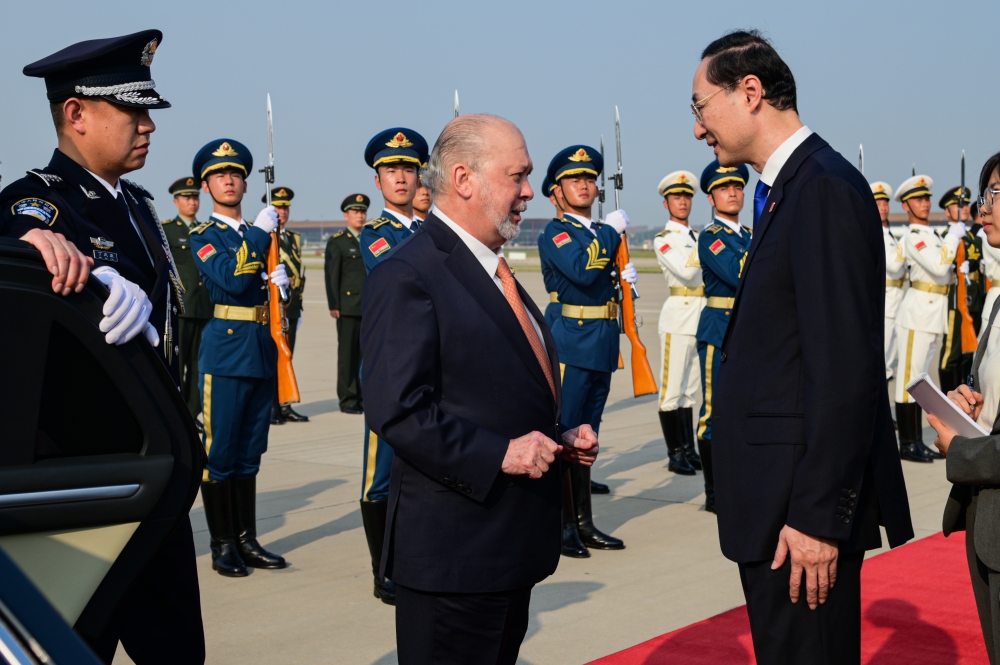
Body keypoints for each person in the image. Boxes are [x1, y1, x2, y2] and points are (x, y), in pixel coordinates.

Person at [691, 30, 913, 663]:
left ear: (750, 92)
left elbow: (844, 370)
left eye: (701, 107)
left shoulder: (819, 189)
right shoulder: (788, 188)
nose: (700, 130)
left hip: (800, 519)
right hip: (777, 506)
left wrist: (819, 517)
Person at [362, 113, 599, 665]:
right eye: (516, 176)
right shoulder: (410, 273)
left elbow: (491, 389)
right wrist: (504, 455)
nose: (528, 192)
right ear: (464, 179)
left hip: (505, 550)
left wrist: (556, 440)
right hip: (456, 557)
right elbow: (398, 412)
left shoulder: (489, 269)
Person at [0, 29, 206, 664]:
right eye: (132, 110)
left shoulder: (140, 208)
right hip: (87, 490)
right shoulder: (40, 198)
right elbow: (16, 226)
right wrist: (35, 244)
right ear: (76, 113)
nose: (147, 126)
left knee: (175, 652)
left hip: (156, 478)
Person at [188, 139, 290, 578]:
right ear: (208, 186)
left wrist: (281, 285)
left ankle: (247, 540)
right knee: (221, 454)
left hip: (261, 349)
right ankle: (222, 543)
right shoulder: (203, 236)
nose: (228, 180)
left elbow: (260, 284)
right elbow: (230, 280)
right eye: (219, 175)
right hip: (226, 352)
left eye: (235, 174)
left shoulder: (261, 233)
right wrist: (259, 233)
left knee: (250, 454)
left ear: (246, 183)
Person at [538, 144, 633, 558]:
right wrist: (612, 233)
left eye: (590, 179)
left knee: (587, 437)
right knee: (564, 435)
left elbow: (601, 279)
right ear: (556, 191)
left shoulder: (598, 234)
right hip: (571, 344)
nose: (585, 184)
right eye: (574, 179)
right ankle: (560, 528)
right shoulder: (555, 232)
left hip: (600, 340)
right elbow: (581, 270)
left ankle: (584, 523)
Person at [932, 151, 1000, 664]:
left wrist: (962, 450)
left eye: (996, 196)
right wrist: (967, 404)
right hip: (987, 523)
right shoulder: (997, 300)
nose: (983, 210)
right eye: (986, 197)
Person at [358, 127, 429, 605]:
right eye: (390, 171)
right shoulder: (376, 234)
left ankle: (413, 560)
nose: (400, 178)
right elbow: (402, 273)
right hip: (390, 366)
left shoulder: (430, 231)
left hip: (429, 363)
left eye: (408, 168)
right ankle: (383, 568)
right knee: (379, 472)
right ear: (378, 181)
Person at [695, 159, 751, 514]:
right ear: (712, 197)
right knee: (714, 412)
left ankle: (739, 481)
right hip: (720, 329)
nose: (732, 193)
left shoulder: (749, 236)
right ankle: (714, 491)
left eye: (737, 187)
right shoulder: (711, 238)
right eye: (724, 188)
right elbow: (738, 273)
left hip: (750, 328)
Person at [894, 174, 962, 462]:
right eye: (919, 199)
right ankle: (907, 443)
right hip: (917, 314)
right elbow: (937, 267)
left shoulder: (932, 235)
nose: (925, 203)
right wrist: (955, 236)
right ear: (907, 206)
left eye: (926, 198)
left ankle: (916, 441)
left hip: (933, 313)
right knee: (908, 380)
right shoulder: (912, 238)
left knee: (921, 381)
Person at [653, 170, 703, 477]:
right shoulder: (665, 239)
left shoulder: (696, 236)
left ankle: (688, 449)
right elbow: (687, 273)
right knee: (671, 391)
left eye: (686, 197)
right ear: (666, 204)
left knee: (689, 391)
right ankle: (674, 454)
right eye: (676, 197)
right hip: (678, 315)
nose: (682, 202)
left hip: (701, 313)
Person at [165, 177, 213, 422]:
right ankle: (178, 413)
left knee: (198, 365)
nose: (192, 202)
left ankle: (193, 413)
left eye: (195, 197)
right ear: (176, 201)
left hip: (205, 307)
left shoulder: (205, 231)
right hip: (180, 307)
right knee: (178, 362)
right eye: (186, 197)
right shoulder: (167, 230)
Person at [263, 186, 308, 424]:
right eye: (278, 206)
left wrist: (298, 308)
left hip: (291, 305)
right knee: (272, 356)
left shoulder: (294, 238)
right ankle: (271, 406)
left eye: (285, 207)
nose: (282, 211)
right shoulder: (263, 235)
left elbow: (298, 273)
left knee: (288, 356)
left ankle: (284, 403)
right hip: (272, 306)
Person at [325, 193, 369, 414]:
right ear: (346, 215)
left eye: (362, 212)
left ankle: (363, 396)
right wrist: (334, 304)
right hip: (347, 307)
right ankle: (348, 398)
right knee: (347, 356)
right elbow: (332, 274)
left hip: (369, 307)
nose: (360, 216)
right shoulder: (338, 241)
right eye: (355, 212)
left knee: (365, 355)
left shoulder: (370, 238)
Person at [938, 185, 982, 395]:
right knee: (952, 352)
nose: (964, 208)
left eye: (966, 204)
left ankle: (963, 394)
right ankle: (948, 397)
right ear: (947, 211)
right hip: (957, 298)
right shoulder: (947, 235)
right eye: (958, 205)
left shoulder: (972, 237)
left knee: (967, 352)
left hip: (974, 297)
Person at [872, 181, 906, 381]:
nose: (883, 208)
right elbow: (893, 266)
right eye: (878, 203)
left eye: (885, 204)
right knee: (883, 353)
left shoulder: (888, 233)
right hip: (886, 297)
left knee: (891, 353)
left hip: (897, 296)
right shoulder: (876, 232)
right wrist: (906, 244)